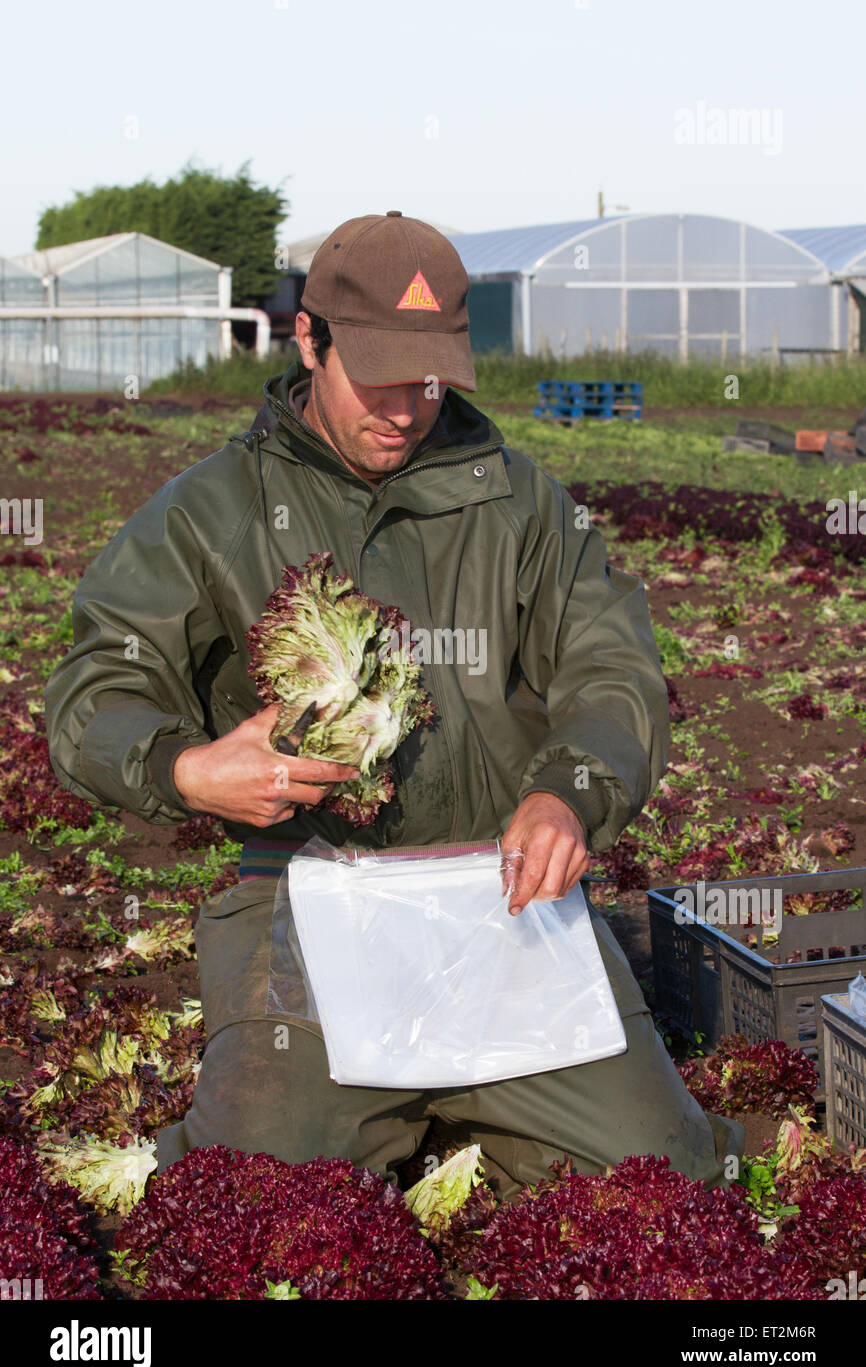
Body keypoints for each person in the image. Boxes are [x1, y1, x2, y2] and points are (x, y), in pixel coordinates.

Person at [44, 211, 744, 1199]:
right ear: (307, 339)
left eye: (428, 379)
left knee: (658, 1176)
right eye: (374, 372)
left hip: (501, 900)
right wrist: (184, 770)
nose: (405, 407)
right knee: (253, 1200)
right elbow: (92, 691)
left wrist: (567, 796)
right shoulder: (211, 513)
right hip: (307, 897)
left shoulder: (519, 504)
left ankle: (463, 1131)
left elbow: (610, 671)